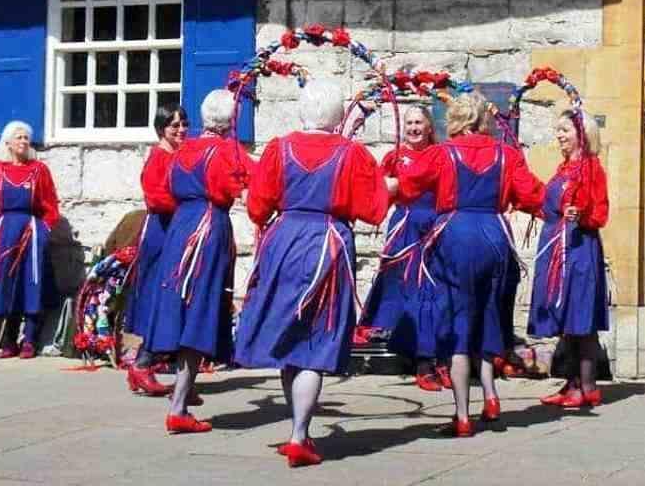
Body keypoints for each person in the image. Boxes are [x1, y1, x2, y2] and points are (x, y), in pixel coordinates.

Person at [234, 79, 390, 466]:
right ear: (337, 115)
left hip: (284, 241)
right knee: (316, 339)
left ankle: (298, 432)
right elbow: (372, 209)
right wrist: (393, 187)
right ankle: (300, 434)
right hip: (328, 242)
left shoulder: (278, 148)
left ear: (303, 110)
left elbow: (257, 208)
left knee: (290, 334)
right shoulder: (352, 154)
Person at [396, 91, 544, 436]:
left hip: (454, 235)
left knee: (458, 322)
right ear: (484, 121)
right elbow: (532, 195)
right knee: (489, 314)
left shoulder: (442, 153)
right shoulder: (507, 155)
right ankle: (491, 396)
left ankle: (462, 415)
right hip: (494, 234)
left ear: (457, 120)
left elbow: (408, 183)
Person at [143, 89, 253, 435]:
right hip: (207, 228)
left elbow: (167, 187)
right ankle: (178, 406)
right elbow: (251, 183)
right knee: (200, 309)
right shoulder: (226, 151)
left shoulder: (182, 150)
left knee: (184, 305)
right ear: (229, 121)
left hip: (181, 228)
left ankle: (184, 389)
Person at [359, 105, 451, 391]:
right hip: (406, 229)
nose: (413, 127)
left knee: (436, 293)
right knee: (410, 293)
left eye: (419, 122)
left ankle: (441, 359)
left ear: (429, 127)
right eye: (409, 122)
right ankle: (421, 363)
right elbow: (376, 192)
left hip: (434, 227)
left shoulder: (442, 155)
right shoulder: (393, 158)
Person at [527, 108, 609, 408]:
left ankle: (586, 386)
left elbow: (600, 213)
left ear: (582, 134)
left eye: (565, 130)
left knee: (580, 316)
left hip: (578, 248)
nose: (559, 135)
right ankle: (574, 384)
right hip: (557, 247)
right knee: (566, 318)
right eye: (558, 130)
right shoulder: (563, 170)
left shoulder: (592, 169)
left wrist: (582, 214)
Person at [0, 121, 61, 360]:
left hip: (32, 233)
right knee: (9, 284)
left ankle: (30, 339)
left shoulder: (39, 170)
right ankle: (9, 339)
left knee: (31, 282)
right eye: (19, 138)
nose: (24, 142)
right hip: (6, 234)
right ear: (8, 142)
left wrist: (43, 229)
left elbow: (50, 205)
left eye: (27, 138)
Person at [125, 104, 189, 396]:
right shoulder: (158, 158)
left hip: (175, 230)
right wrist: (188, 206)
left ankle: (147, 364)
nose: (180, 130)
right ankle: (142, 364)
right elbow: (156, 197)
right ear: (161, 128)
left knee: (167, 297)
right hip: (161, 233)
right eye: (174, 125)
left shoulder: (178, 156)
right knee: (159, 297)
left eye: (183, 124)